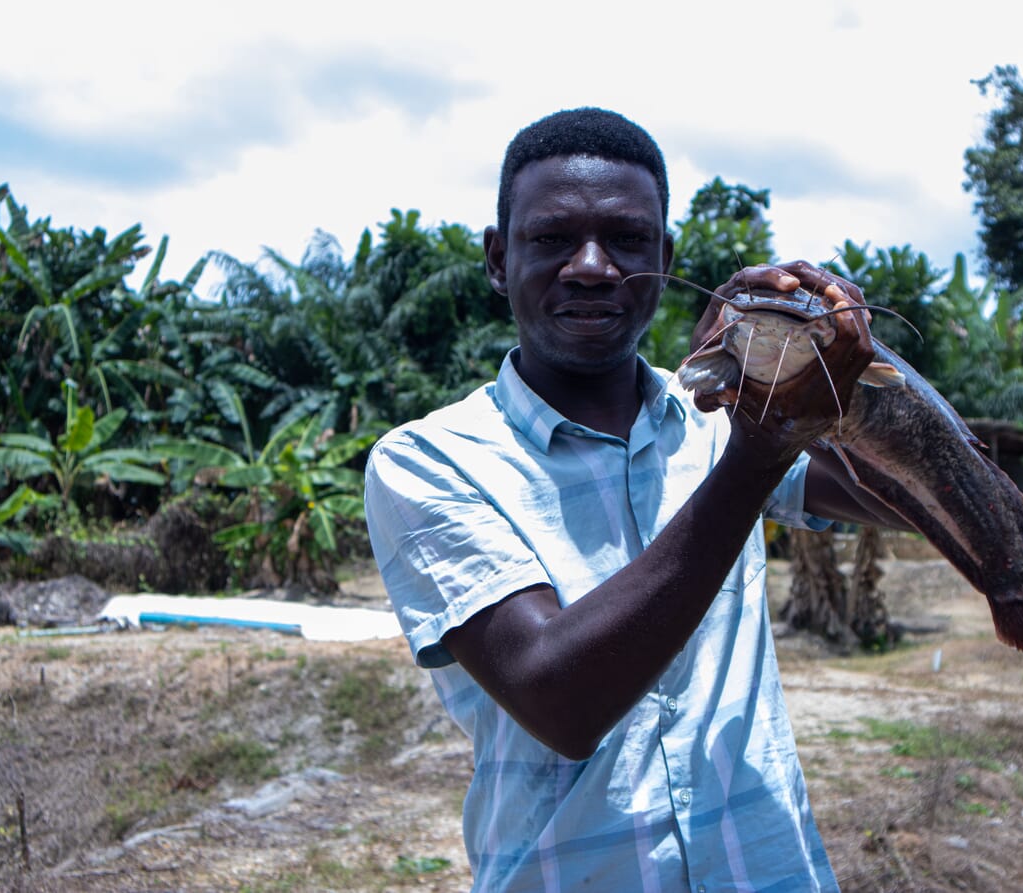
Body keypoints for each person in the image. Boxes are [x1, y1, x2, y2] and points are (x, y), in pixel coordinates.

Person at [364, 107, 906, 892]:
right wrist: (757, 453)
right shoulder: (429, 461)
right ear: (495, 258)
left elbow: (900, 494)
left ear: (665, 257)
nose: (591, 265)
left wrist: (836, 366)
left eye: (626, 239)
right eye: (551, 239)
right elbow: (563, 698)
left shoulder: (719, 420)